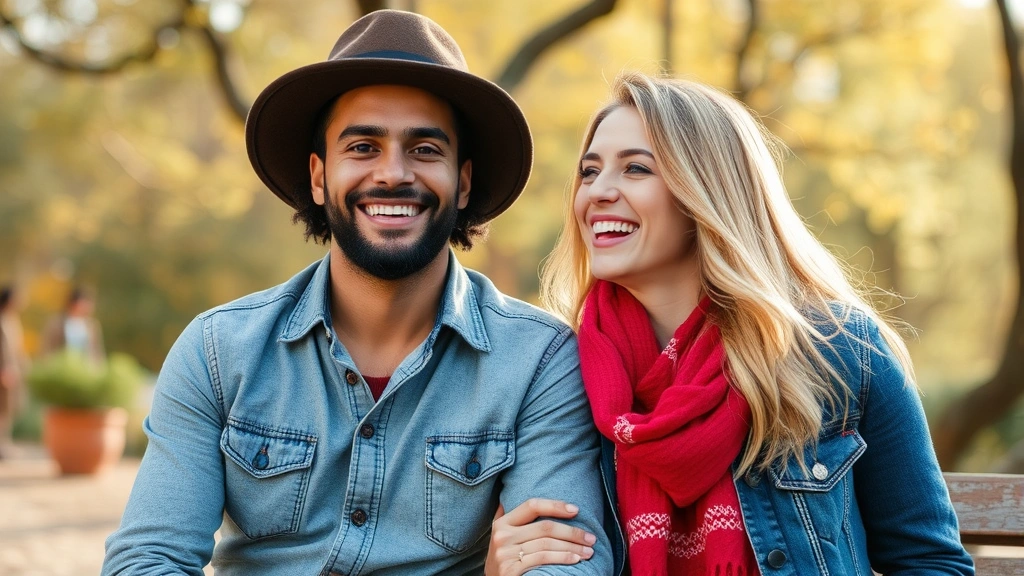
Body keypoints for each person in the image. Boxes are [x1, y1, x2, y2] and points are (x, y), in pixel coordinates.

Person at [103, 10, 615, 576]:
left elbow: (569, 563)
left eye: (424, 149)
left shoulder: (540, 362)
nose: (394, 174)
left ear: (462, 182)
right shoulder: (219, 351)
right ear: (320, 177)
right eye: (363, 147)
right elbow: (146, 561)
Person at [489, 72, 974, 575]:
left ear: (706, 192)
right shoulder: (560, 374)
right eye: (589, 172)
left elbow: (929, 561)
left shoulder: (839, 350)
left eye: (635, 169)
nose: (598, 192)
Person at [0, 285, 29, 458]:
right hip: (4, 372)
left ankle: (4, 444)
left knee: (8, 409)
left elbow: (17, 349)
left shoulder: (13, 320)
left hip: (13, 372)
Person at [42, 286, 105, 364]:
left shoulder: (92, 325)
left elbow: (97, 351)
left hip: (85, 368)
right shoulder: (56, 323)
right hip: (61, 366)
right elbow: (47, 347)